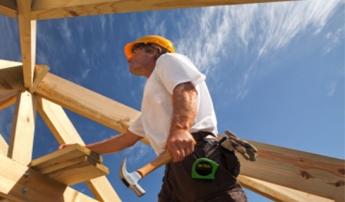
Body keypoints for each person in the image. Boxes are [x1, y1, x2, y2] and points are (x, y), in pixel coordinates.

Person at [60, 35, 248, 201]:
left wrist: (181, 128)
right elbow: (125, 140)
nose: (128, 60)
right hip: (173, 167)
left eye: (135, 52)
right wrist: (84, 149)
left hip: (193, 150)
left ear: (153, 51)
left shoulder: (167, 60)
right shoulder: (153, 101)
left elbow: (186, 89)